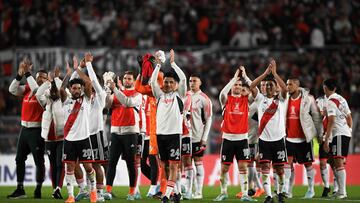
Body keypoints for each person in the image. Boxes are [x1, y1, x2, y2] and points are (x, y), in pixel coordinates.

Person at [213, 66, 255, 202]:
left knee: (243, 167)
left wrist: (246, 77)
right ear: (232, 86)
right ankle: (223, 192)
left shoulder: (246, 100)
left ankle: (244, 194)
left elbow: (256, 91)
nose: (237, 86)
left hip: (242, 139)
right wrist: (234, 78)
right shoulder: (226, 100)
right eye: (235, 85)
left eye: (239, 85)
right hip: (228, 139)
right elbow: (221, 93)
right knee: (224, 168)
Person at [8, 59, 47, 199]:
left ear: (47, 80)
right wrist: (19, 75)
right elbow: (12, 89)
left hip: (37, 131)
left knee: (38, 161)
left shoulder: (45, 91)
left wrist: (28, 73)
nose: (40, 78)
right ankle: (20, 188)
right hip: (24, 129)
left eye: (43, 77)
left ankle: (38, 188)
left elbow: (37, 90)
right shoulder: (27, 89)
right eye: (38, 76)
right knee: (19, 159)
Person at [150, 49, 186, 203]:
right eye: (166, 82)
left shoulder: (180, 96)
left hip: (174, 135)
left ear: (175, 85)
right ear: (163, 83)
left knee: (173, 167)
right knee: (164, 167)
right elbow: (152, 82)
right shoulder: (159, 96)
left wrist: (172, 64)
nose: (168, 84)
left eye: (171, 82)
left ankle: (166, 195)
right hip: (160, 135)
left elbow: (183, 79)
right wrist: (158, 66)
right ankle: (176, 193)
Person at [250, 60, 288, 203]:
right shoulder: (260, 99)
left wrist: (275, 74)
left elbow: (285, 89)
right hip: (264, 140)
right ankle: (268, 196)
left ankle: (279, 193)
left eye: (272, 85)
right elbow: (252, 86)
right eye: (267, 85)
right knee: (265, 167)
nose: (269, 87)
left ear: (276, 88)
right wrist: (265, 74)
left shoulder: (281, 100)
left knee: (279, 170)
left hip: (279, 140)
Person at [73, 53, 108, 202]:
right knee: (83, 164)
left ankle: (99, 193)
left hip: (97, 134)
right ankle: (87, 191)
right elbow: (73, 82)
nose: (90, 84)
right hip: (84, 134)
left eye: (93, 83)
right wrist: (78, 68)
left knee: (96, 164)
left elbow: (92, 79)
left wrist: (88, 64)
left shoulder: (101, 95)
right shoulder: (84, 96)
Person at [60, 64, 97, 203]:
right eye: (74, 88)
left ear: (81, 89)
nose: (76, 90)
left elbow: (88, 82)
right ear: (70, 89)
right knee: (69, 168)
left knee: (88, 167)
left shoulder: (86, 99)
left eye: (78, 88)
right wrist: (68, 74)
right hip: (69, 140)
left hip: (84, 139)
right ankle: (70, 196)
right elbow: (61, 89)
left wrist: (77, 70)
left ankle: (93, 191)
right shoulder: (66, 101)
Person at [104, 70, 142, 200]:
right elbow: (107, 105)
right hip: (115, 132)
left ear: (133, 81)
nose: (127, 80)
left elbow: (127, 102)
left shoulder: (138, 94)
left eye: (129, 78)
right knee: (112, 162)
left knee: (131, 164)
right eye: (125, 78)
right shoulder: (116, 93)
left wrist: (114, 89)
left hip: (130, 132)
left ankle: (132, 192)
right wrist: (107, 90)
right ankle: (108, 190)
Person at [283, 78, 321, 198]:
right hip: (288, 137)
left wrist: (320, 134)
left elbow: (316, 116)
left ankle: (311, 190)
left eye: (290, 84)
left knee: (308, 164)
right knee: (287, 164)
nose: (288, 87)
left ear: (297, 85)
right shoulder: (285, 99)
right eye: (287, 84)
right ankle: (288, 190)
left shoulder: (308, 99)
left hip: (304, 138)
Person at [35, 66, 65, 199]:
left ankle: (58, 187)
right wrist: (48, 81)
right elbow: (37, 94)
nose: (53, 93)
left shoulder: (63, 101)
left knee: (60, 163)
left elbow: (62, 91)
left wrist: (56, 79)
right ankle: (55, 190)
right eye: (51, 91)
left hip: (61, 137)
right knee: (53, 164)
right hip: (49, 138)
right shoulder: (46, 103)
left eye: (55, 91)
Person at [323, 78, 352, 199]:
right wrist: (349, 130)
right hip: (344, 133)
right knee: (333, 161)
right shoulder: (342, 99)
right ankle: (339, 190)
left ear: (325, 88)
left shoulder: (330, 102)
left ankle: (342, 192)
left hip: (338, 134)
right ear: (335, 88)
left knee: (338, 163)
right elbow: (349, 117)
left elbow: (331, 121)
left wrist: (326, 140)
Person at [187, 74, 213, 200]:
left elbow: (208, 119)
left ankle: (198, 191)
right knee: (186, 164)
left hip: (197, 136)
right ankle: (188, 191)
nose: (192, 83)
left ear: (200, 83)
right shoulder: (184, 95)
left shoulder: (204, 99)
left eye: (194, 81)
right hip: (185, 136)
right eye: (190, 81)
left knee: (198, 163)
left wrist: (204, 138)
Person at [316, 96, 332, 197]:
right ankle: (326, 186)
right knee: (322, 163)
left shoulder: (335, 101)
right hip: (323, 138)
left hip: (333, 137)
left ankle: (338, 189)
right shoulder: (318, 101)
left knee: (335, 164)